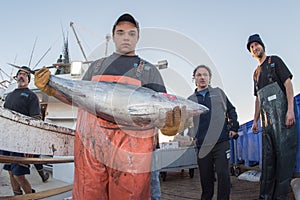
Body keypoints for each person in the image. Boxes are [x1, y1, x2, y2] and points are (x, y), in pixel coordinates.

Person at [34, 13, 187, 199]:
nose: (126, 37)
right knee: (89, 194)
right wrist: (52, 89)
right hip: (91, 147)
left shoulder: (149, 71)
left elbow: (162, 110)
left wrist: (169, 127)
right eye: (121, 32)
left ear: (137, 38)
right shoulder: (96, 67)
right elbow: (77, 98)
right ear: (113, 36)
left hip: (132, 152)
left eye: (131, 33)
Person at [247, 33, 297, 199]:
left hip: (283, 120)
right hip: (267, 123)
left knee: (284, 159)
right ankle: (266, 196)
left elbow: (288, 84)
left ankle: (280, 196)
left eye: (257, 45)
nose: (255, 48)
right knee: (268, 161)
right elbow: (258, 99)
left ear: (262, 46)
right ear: (251, 52)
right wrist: (255, 121)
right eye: (252, 47)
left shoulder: (275, 61)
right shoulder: (255, 74)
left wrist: (290, 110)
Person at [187, 65, 239, 200]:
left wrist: (234, 127)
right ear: (194, 79)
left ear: (209, 78)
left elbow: (231, 110)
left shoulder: (218, 93)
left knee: (223, 175)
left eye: (205, 74)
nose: (202, 77)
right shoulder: (190, 99)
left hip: (221, 141)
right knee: (205, 178)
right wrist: (190, 134)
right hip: (202, 145)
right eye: (199, 75)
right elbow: (186, 121)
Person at [0, 66, 41, 195]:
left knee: (18, 174)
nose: (22, 76)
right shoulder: (9, 96)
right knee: (11, 172)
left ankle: (30, 196)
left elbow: (36, 121)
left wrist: (30, 147)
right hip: (7, 141)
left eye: (25, 74)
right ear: (17, 77)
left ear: (29, 79)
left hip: (21, 142)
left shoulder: (32, 96)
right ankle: (17, 196)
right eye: (20, 74)